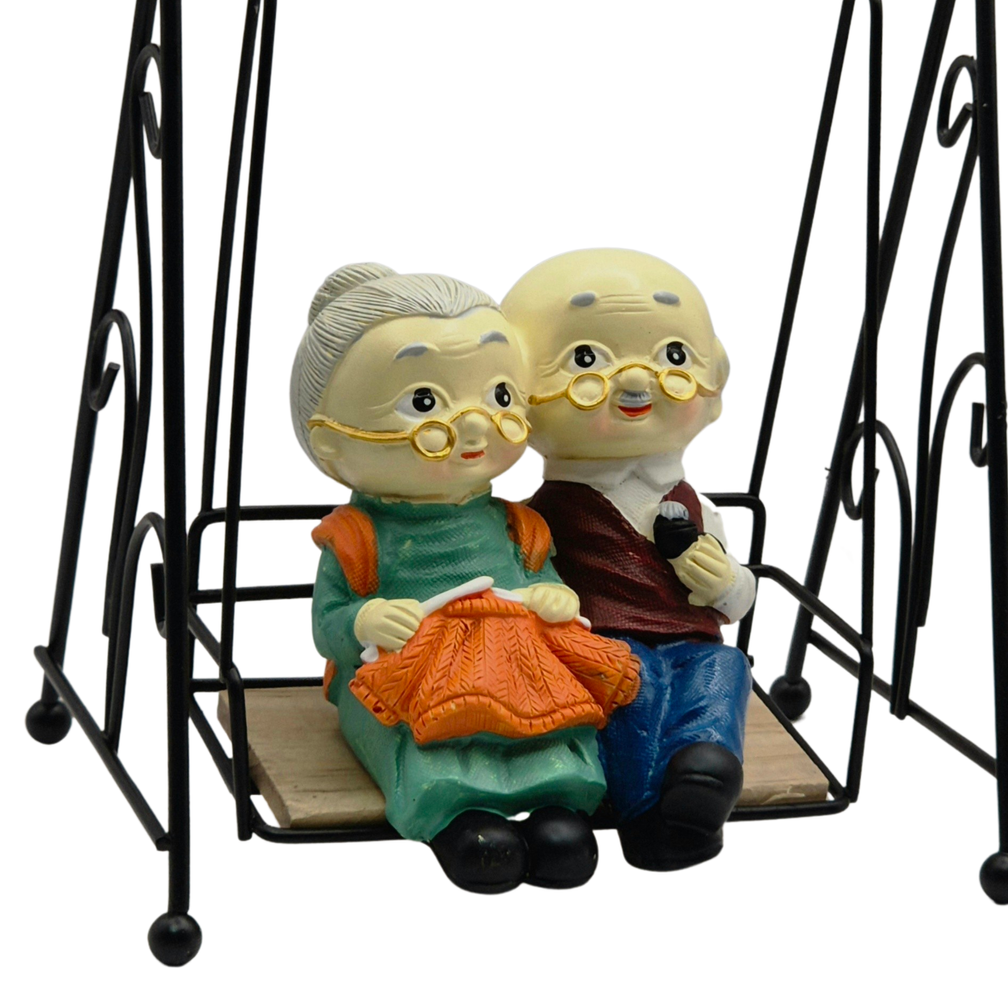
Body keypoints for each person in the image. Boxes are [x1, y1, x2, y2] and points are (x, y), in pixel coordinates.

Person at [291, 263, 638, 893]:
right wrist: (364, 618)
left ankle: (559, 805)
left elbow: (545, 577)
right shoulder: (359, 536)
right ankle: (457, 817)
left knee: (552, 726)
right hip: (410, 673)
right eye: (424, 403)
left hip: (519, 663)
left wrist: (554, 596)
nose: (476, 425)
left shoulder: (517, 524)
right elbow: (327, 623)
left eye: (500, 396)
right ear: (330, 442)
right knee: (428, 740)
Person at [502, 248, 755, 871]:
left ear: (715, 383)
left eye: (674, 357)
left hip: (692, 641)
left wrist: (726, 581)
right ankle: (651, 817)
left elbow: (736, 604)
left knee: (725, 669)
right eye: (586, 360)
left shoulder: (697, 508)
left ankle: (704, 767)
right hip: (601, 646)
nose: (638, 383)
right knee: (632, 688)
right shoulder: (538, 515)